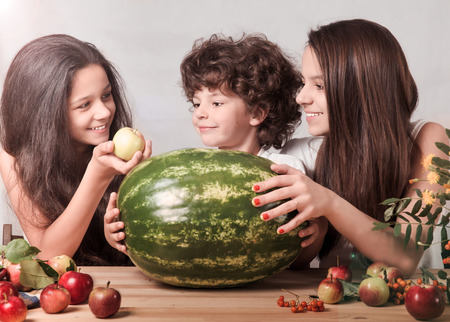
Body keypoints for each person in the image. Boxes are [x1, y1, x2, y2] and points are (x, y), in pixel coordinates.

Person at [251, 19, 449, 275]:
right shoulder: (301, 156)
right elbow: (294, 263)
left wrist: (329, 204)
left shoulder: (429, 140)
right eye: (303, 83)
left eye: (319, 85)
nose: (301, 97)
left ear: (362, 87)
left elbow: (406, 257)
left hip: (402, 309)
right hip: (333, 308)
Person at [104, 33, 320, 254]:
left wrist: (313, 233)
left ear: (256, 113)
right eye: (196, 104)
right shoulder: (191, 174)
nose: (200, 114)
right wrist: (122, 232)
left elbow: (299, 251)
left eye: (216, 103)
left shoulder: (283, 170)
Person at [0, 34, 152, 265]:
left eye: (106, 95)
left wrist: (142, 182)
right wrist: (98, 174)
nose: (104, 112)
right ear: (46, 114)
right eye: (84, 104)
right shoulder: (13, 157)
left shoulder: (123, 147)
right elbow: (48, 255)